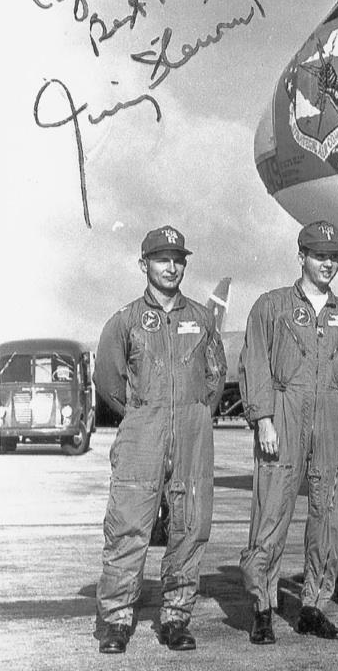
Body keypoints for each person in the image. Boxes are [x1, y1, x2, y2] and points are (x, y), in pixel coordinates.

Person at [238, 221, 338, 645]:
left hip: (332, 415)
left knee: (330, 514)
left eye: (333, 257)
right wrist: (263, 417)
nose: (327, 264)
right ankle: (263, 606)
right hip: (285, 412)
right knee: (272, 512)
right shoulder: (272, 306)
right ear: (302, 257)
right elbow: (255, 362)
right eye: (319, 256)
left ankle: (314, 605)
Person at [94, 225, 227, 654]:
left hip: (192, 434)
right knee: (129, 525)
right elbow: (107, 380)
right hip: (142, 435)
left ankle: (175, 617)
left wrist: (193, 413)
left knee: (190, 526)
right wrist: (141, 414)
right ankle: (116, 619)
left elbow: (215, 376)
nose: (171, 267)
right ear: (144, 265)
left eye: (178, 259)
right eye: (162, 259)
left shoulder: (202, 319)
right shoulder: (126, 320)